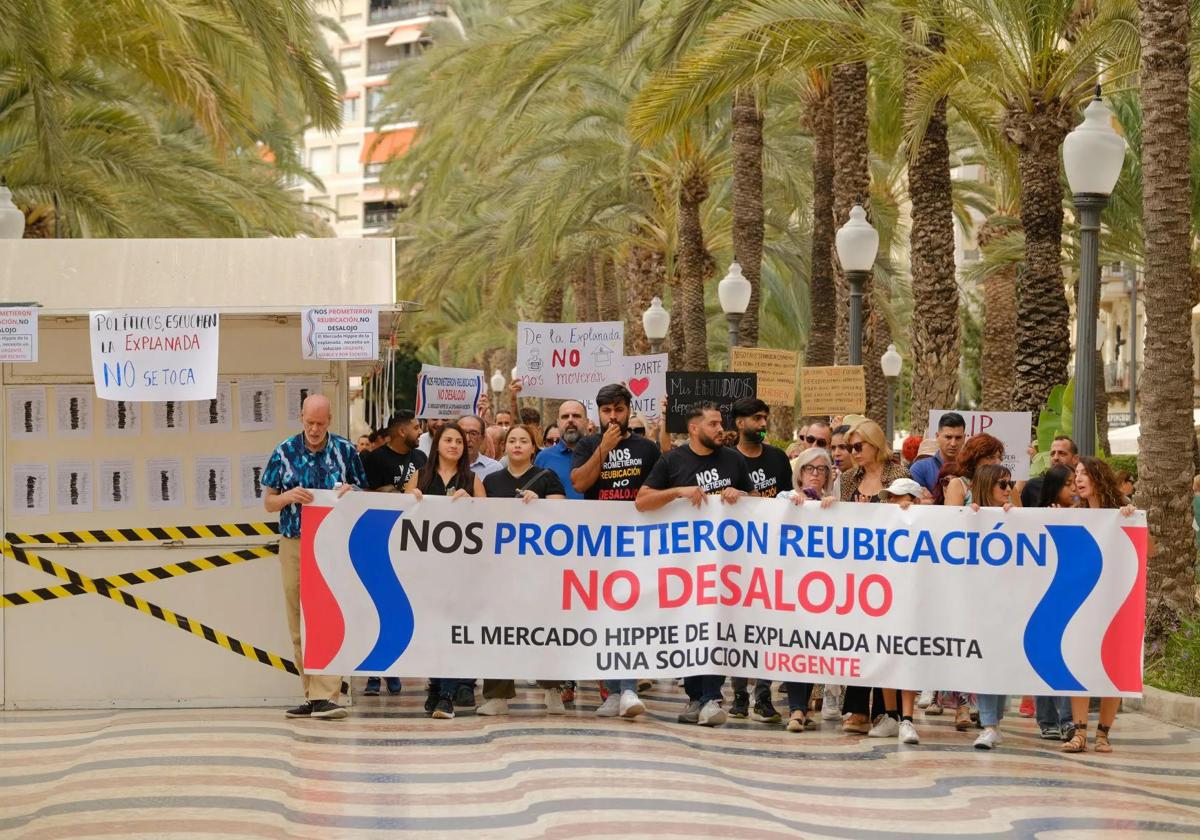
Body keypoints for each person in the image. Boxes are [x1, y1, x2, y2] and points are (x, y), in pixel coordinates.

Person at [637, 402, 753, 727]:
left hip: (726, 566)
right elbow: (642, 501)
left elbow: (760, 504)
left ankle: (712, 696)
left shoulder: (734, 459)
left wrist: (740, 495)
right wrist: (677, 491)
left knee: (715, 624)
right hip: (685, 566)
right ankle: (696, 698)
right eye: (714, 424)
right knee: (692, 628)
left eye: (721, 423)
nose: (721, 429)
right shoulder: (672, 461)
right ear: (694, 428)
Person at [263, 394, 367, 721]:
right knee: (297, 620)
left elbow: (365, 493)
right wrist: (287, 497)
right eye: (309, 422)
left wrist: (353, 492)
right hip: (295, 540)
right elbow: (268, 502)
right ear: (301, 417)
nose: (314, 429)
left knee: (327, 616)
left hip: (333, 543)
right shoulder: (284, 452)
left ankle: (326, 694)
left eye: (320, 423)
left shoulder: (345, 450)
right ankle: (310, 693)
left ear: (330, 420)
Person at [572, 384, 661, 718]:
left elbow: (657, 490)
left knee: (632, 615)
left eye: (619, 410)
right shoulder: (587, 445)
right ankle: (611, 691)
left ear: (628, 409)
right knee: (604, 616)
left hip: (638, 543)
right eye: (606, 411)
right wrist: (603, 450)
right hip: (599, 545)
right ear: (598, 412)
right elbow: (580, 483)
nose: (613, 417)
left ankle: (629, 689)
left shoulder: (647, 448)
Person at [478, 425, 568, 717]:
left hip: (539, 570)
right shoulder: (490, 480)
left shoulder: (547, 478)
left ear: (534, 447)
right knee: (498, 629)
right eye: (512, 441)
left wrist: (538, 504)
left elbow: (562, 514)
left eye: (524, 441)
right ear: (504, 447)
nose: (517, 445)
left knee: (545, 628)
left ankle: (553, 689)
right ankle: (497, 695)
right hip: (501, 570)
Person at [405, 423, 486, 720]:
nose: (454, 445)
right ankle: (435, 685)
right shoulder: (420, 477)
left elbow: (487, 521)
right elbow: (403, 518)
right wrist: (409, 499)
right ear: (436, 444)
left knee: (452, 629)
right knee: (432, 629)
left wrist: (474, 504)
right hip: (427, 571)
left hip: (460, 570)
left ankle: (447, 696)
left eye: (460, 442)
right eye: (448, 440)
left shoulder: (473, 479)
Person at [837, 419, 910, 733]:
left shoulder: (898, 475)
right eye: (850, 447)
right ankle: (856, 708)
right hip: (855, 571)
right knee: (857, 639)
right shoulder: (847, 478)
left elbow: (907, 513)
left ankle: (885, 711)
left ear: (875, 444)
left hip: (889, 571)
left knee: (886, 639)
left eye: (858, 446)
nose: (853, 453)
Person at [1061, 457, 1138, 754]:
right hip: (1081, 601)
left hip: (1117, 600)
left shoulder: (1122, 510)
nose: (1078, 479)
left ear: (1098, 477)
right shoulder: (1072, 513)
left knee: (1114, 666)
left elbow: (1149, 549)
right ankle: (1079, 733)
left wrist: (1130, 519)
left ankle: (1103, 733)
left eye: (1084, 474)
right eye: (1076, 474)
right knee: (1079, 662)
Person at [725, 397, 791, 722]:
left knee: (767, 628)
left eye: (765, 418)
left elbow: (789, 500)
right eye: (756, 419)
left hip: (773, 555)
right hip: (736, 558)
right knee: (738, 626)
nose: (763, 424)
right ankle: (738, 694)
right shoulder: (725, 460)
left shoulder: (778, 459)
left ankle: (763, 694)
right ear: (739, 423)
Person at [360, 410, 427, 697]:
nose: (420, 431)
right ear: (401, 432)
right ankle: (375, 672)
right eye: (415, 427)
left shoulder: (422, 460)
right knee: (378, 607)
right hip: (379, 542)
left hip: (413, 543)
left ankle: (396, 667)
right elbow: (366, 496)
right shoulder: (373, 460)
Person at [778, 447, 838, 730]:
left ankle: (802, 709)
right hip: (789, 585)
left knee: (813, 648)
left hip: (822, 589)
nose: (815, 474)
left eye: (821, 469)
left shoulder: (835, 504)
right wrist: (794, 503)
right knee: (793, 646)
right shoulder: (785, 498)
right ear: (799, 472)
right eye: (809, 468)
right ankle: (796, 710)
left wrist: (830, 509)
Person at [870, 477, 927, 745]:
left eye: (900, 497)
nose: (894, 502)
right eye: (890, 497)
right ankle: (891, 715)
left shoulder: (928, 522)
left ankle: (907, 719)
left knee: (908, 657)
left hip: (913, 598)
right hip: (883, 598)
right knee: (886, 655)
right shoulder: (883, 522)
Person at [968, 464, 1017, 749]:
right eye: (1002, 484)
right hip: (979, 602)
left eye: (1010, 483)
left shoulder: (1015, 515)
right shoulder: (971, 515)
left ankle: (994, 721)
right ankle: (989, 723)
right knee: (985, 661)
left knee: (1000, 662)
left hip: (1009, 602)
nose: (1008, 489)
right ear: (987, 487)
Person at [1030, 464, 1079, 741]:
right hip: (1043, 593)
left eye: (1076, 482)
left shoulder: (1085, 513)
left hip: (1071, 593)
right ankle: (1047, 718)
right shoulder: (1039, 515)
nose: (1073, 488)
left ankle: (1067, 719)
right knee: (1046, 657)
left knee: (1066, 658)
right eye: (1068, 483)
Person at [535, 400, 587, 501]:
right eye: (565, 417)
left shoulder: (598, 453)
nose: (570, 420)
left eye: (576, 416)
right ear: (558, 423)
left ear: (587, 422)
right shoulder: (543, 457)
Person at [941, 433, 1004, 507]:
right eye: (990, 457)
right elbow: (952, 517)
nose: (997, 462)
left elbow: (1019, 516)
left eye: (999, 457)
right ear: (974, 459)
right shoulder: (958, 485)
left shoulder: (1007, 486)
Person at [910, 412, 966, 493]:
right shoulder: (919, 468)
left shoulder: (972, 469)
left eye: (958, 438)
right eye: (948, 437)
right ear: (937, 436)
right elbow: (915, 502)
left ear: (964, 438)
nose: (953, 443)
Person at [457, 413, 503, 480]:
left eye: (473, 434)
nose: (467, 439)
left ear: (482, 438)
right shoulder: (443, 467)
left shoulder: (495, 469)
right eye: (462, 433)